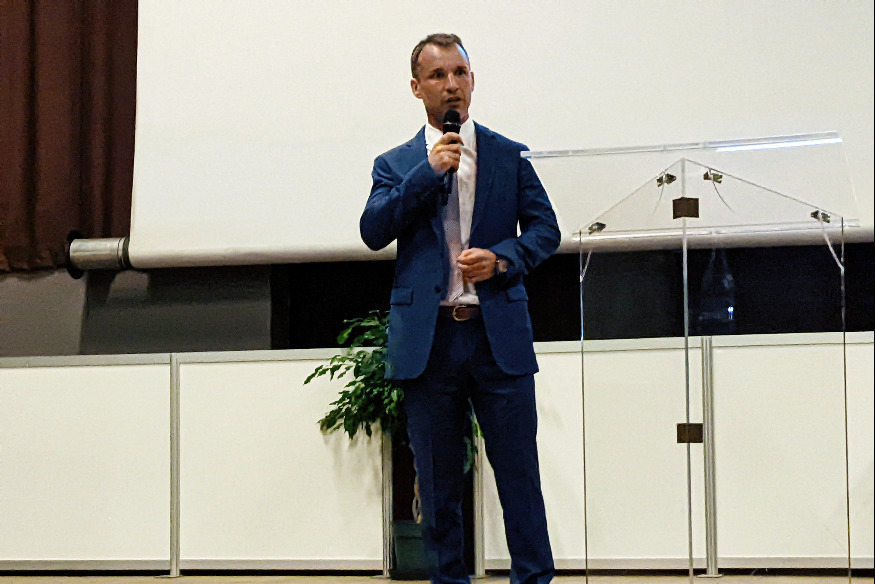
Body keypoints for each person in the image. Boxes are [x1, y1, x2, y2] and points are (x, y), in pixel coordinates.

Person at [360, 33, 559, 584]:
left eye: (460, 73)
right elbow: (373, 231)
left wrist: (502, 259)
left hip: (497, 336)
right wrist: (427, 173)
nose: (452, 85)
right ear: (416, 87)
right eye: (438, 75)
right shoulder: (396, 163)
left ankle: (533, 579)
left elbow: (546, 230)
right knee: (438, 483)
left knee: (519, 477)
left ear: (472, 80)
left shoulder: (506, 154)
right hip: (431, 341)